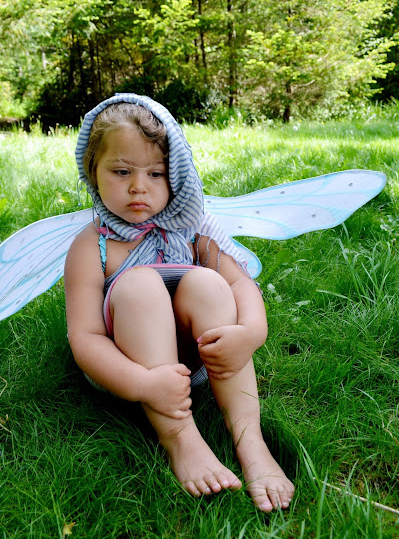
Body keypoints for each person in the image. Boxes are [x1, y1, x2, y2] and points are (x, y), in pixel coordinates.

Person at [64, 94, 295, 512]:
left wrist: (250, 334)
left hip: (201, 361)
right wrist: (141, 384)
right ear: (92, 172)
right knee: (140, 287)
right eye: (121, 171)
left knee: (209, 282)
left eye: (157, 173)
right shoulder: (92, 245)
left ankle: (249, 439)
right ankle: (180, 437)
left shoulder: (192, 232)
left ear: (179, 177)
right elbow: (84, 337)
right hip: (129, 369)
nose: (139, 186)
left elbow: (243, 287)